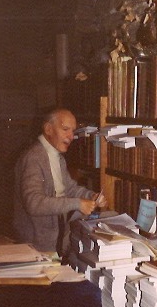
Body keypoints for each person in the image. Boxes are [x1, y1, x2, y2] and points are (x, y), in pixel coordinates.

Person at [13, 107, 107, 258]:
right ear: (48, 129)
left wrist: (91, 196)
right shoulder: (34, 158)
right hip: (36, 248)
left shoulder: (57, 157)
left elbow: (69, 188)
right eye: (65, 129)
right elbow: (34, 203)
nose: (71, 136)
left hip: (55, 243)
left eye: (73, 131)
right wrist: (77, 204)